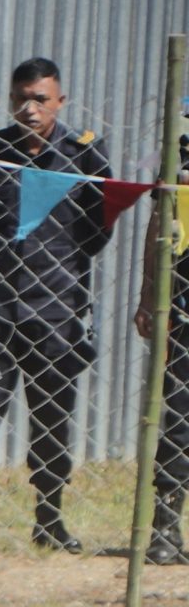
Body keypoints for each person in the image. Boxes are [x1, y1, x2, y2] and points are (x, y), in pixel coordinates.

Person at [0, 57, 116, 555]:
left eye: (40, 98)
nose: (30, 108)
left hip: (58, 305)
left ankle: (49, 520)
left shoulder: (85, 155)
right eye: (21, 97)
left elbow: (98, 229)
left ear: (60, 100)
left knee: (53, 416)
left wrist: (58, 266)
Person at [134, 122, 189, 565]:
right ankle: (166, 527)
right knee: (180, 422)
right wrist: (149, 296)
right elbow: (160, 222)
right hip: (187, 312)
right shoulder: (181, 151)